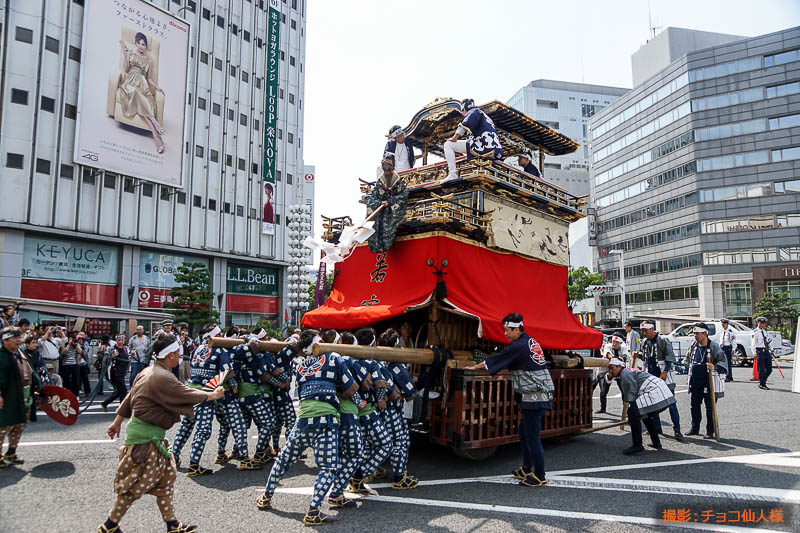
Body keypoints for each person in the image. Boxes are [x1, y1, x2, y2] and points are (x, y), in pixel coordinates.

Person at [97, 335, 225, 533]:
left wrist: (117, 421)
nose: (180, 356)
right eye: (178, 352)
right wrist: (212, 395)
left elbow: (130, 396)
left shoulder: (148, 371)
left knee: (166, 479)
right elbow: (185, 393)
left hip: (151, 438)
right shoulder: (162, 376)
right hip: (144, 441)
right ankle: (110, 525)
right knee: (134, 486)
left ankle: (172, 524)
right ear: (170, 355)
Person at [256, 330, 362, 526]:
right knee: (328, 467)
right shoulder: (333, 358)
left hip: (304, 419)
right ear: (319, 343)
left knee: (284, 459)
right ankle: (313, 511)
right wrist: (359, 401)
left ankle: (266, 496)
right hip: (326, 420)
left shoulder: (301, 365)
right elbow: (350, 388)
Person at [466, 313, 554, 486]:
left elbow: (496, 359)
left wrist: (474, 367)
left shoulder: (519, 346)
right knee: (524, 432)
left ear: (517, 329)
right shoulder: (529, 341)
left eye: (507, 330)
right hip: (536, 394)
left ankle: (540, 475)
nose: (505, 333)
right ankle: (527, 468)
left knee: (532, 437)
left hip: (535, 397)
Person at [347, 328, 394, 495]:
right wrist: (380, 398)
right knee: (386, 444)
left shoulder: (350, 360)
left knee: (360, 448)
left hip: (353, 409)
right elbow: (380, 384)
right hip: (368, 410)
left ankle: (355, 478)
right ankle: (358, 476)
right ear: (373, 343)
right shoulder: (372, 363)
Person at [606, 357, 674, 454]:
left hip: (655, 392)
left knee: (633, 412)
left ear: (619, 366)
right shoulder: (627, 371)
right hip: (662, 391)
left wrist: (632, 415)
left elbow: (631, 394)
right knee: (645, 415)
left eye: (612, 368)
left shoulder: (625, 374)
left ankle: (637, 445)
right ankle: (656, 442)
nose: (610, 371)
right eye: (609, 368)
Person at [378, 329, 419, 489]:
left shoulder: (375, 363)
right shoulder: (396, 366)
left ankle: (373, 471)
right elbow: (410, 394)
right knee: (401, 442)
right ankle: (399, 477)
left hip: (375, 410)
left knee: (377, 442)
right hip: (392, 410)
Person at [117, 32, 166, 153]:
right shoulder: (130, 53)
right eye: (139, 43)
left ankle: (156, 136)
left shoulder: (149, 61)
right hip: (130, 83)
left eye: (143, 44)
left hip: (143, 86)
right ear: (136, 43)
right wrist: (125, 55)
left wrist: (157, 87)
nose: (141, 46)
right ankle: (155, 123)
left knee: (142, 102)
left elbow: (149, 79)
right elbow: (126, 69)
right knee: (136, 93)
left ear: (146, 46)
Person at [0, 327, 40, 467]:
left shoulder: (19, 354)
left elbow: (30, 371)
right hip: (7, 397)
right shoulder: (2, 356)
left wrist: (37, 388)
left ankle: (11, 452)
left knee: (20, 424)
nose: (18, 341)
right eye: (15, 338)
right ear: (5, 340)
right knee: (3, 427)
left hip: (23, 396)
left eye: (19, 337)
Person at [440, 98, 503, 184]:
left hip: (484, 147)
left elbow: (465, 124)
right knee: (466, 146)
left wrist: (454, 138)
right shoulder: (484, 116)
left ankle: (452, 174)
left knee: (448, 144)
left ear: (464, 109)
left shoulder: (473, 111)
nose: (463, 114)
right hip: (495, 149)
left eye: (462, 111)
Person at [640, 322, 683, 440]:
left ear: (652, 329)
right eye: (642, 331)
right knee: (653, 404)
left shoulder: (663, 340)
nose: (644, 333)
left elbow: (670, 358)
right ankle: (657, 428)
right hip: (651, 375)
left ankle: (677, 429)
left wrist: (665, 372)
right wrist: (636, 355)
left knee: (671, 403)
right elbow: (644, 358)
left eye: (645, 330)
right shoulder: (644, 342)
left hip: (664, 375)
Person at [685, 323, 727, 438]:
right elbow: (688, 361)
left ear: (704, 333)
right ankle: (695, 428)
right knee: (694, 406)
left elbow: (723, 362)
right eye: (694, 333)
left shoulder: (714, 346)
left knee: (710, 407)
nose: (695, 336)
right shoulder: (694, 346)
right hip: (696, 380)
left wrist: (714, 366)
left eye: (697, 333)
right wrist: (688, 377)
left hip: (709, 381)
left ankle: (710, 431)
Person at [364, 154, 409, 254]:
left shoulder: (397, 181)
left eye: (389, 166)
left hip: (392, 208)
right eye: (385, 166)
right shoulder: (380, 181)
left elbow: (404, 194)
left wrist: (391, 201)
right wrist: (379, 202)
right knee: (373, 217)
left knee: (392, 218)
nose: (387, 169)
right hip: (381, 208)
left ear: (393, 166)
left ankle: (386, 244)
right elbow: (373, 195)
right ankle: (377, 245)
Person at [269, 338, 299, 455]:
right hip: (281, 394)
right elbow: (293, 346)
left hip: (274, 395)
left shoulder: (271, 357)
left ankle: (276, 446)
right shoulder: (282, 355)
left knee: (278, 422)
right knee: (291, 421)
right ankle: (289, 449)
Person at [593, 335, 628, 414]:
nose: (614, 344)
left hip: (618, 371)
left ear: (620, 343)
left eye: (617, 342)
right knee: (603, 390)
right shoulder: (607, 346)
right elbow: (608, 354)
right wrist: (616, 359)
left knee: (624, 391)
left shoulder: (624, 347)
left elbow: (625, 356)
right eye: (613, 341)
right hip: (605, 370)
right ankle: (603, 408)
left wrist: (622, 359)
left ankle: (626, 410)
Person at [101, 334, 130, 412]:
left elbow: (127, 358)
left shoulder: (125, 349)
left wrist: (130, 356)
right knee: (123, 391)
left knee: (119, 391)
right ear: (116, 341)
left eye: (122, 340)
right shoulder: (112, 349)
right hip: (115, 372)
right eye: (119, 340)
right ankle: (122, 409)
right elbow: (105, 359)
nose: (120, 342)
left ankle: (105, 403)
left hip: (122, 372)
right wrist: (112, 356)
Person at [751, 317, 773, 390]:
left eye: (763, 323)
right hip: (759, 351)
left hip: (766, 351)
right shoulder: (755, 332)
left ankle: (762, 381)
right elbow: (753, 344)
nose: (761, 325)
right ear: (758, 323)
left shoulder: (765, 332)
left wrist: (772, 350)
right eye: (760, 323)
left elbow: (769, 342)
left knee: (769, 369)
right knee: (761, 369)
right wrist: (754, 353)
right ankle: (762, 383)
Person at [59, 333, 83, 397]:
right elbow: (64, 353)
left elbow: (80, 351)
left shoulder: (76, 344)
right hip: (66, 364)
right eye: (71, 338)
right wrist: (69, 344)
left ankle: (76, 394)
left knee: (76, 379)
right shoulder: (65, 344)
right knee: (66, 380)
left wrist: (75, 345)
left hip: (75, 363)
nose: (72, 340)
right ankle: (67, 393)